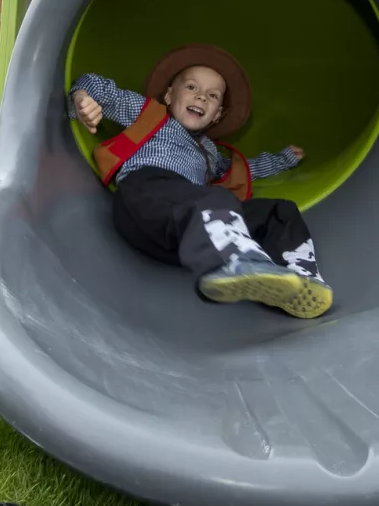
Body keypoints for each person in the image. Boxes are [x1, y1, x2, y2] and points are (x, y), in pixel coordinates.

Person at [70, 43, 332, 318]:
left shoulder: (210, 153)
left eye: (213, 95)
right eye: (192, 88)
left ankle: (298, 278)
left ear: (217, 114)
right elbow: (97, 86)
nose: (202, 97)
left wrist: (283, 159)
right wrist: (82, 98)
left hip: (185, 237)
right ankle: (237, 260)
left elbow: (243, 170)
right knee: (215, 199)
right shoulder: (149, 114)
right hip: (144, 201)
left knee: (280, 211)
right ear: (169, 95)